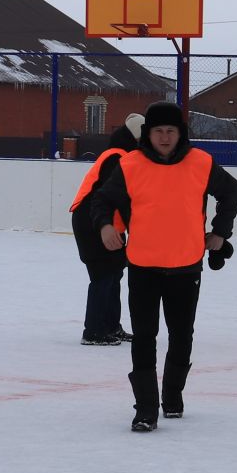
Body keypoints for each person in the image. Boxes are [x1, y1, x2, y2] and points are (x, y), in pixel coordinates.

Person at [90, 101, 237, 432]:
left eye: (170, 131)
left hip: (186, 267)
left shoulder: (201, 163)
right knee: (145, 336)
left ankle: (172, 396)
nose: (164, 137)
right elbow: (101, 199)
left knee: (181, 336)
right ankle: (145, 408)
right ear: (148, 134)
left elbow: (231, 192)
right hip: (143, 266)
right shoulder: (130, 165)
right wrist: (105, 226)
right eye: (158, 131)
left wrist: (219, 233)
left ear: (180, 133)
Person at [70, 114, 142, 345]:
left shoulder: (123, 157)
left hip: (107, 223)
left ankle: (111, 326)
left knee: (113, 275)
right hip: (94, 223)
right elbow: (112, 198)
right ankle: (93, 331)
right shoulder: (117, 158)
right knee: (102, 275)